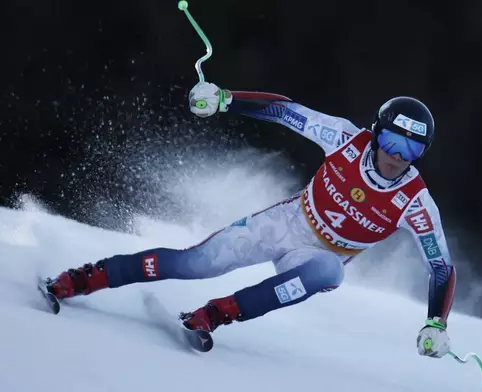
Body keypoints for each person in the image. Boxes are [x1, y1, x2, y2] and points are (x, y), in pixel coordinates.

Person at [45, 81, 457, 359]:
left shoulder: (416, 203)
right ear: (375, 133)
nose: (396, 156)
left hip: (314, 259)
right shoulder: (345, 138)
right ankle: (83, 278)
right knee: (195, 264)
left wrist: (436, 322)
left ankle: (214, 314)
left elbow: (441, 266)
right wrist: (224, 98)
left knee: (330, 270)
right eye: (391, 140)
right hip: (287, 223)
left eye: (412, 149)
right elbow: (283, 111)